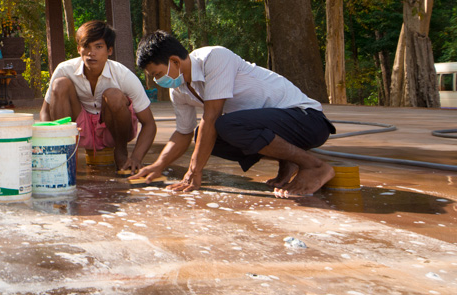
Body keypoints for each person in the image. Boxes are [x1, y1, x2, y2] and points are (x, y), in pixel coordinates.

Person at [134, 31, 336, 197]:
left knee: (224, 125)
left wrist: (194, 172)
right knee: (204, 136)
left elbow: (211, 116)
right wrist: (158, 165)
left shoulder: (214, 58)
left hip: (308, 121)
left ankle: (314, 166)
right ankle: (288, 160)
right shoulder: (178, 90)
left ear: (174, 61)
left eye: (158, 74)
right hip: (280, 126)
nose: (156, 81)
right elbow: (183, 133)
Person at [40, 21, 157, 173]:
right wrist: (49, 142)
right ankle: (63, 155)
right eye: (86, 46)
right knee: (60, 84)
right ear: (78, 49)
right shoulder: (64, 69)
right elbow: (45, 111)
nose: (91, 52)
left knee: (113, 94)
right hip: (78, 127)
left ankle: (120, 153)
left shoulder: (123, 75)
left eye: (98, 47)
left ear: (109, 50)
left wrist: (136, 158)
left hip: (113, 129)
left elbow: (149, 124)